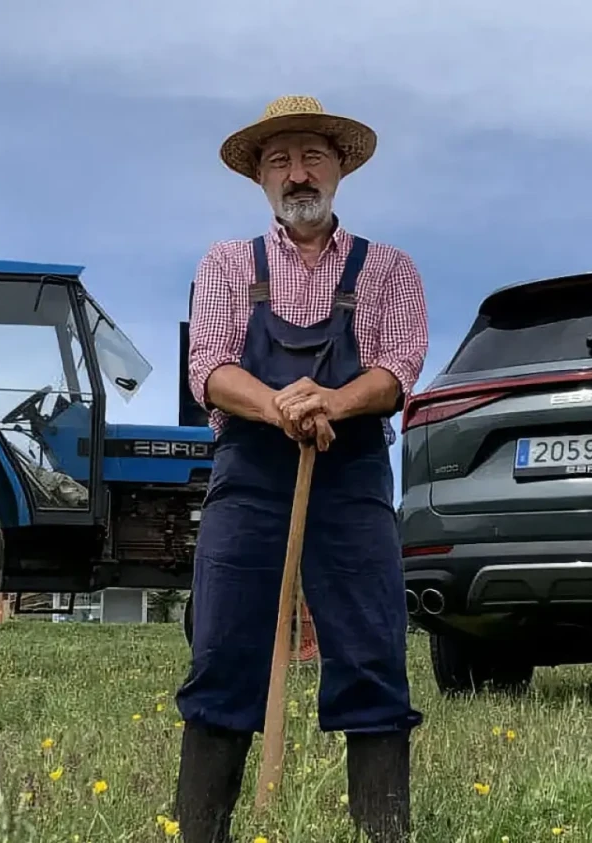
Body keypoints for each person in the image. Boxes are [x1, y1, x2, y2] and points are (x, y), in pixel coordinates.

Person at [173, 95, 429, 842]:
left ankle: (384, 830)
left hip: (349, 479)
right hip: (249, 477)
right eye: (278, 160)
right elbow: (210, 368)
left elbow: (397, 370)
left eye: (312, 155)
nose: (297, 173)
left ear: (340, 166)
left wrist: (334, 401)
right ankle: (201, 832)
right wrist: (283, 406)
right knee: (221, 647)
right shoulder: (225, 264)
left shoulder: (388, 269)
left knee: (373, 648)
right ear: (260, 178)